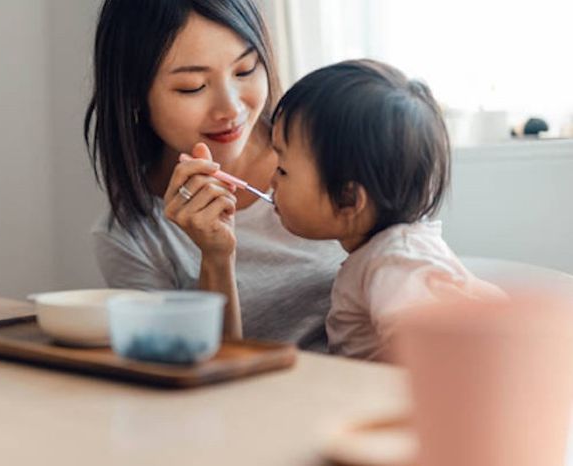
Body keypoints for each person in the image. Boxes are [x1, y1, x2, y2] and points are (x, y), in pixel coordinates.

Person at [84, 0, 344, 348]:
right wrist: (216, 259)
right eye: (192, 86)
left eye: (245, 70)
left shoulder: (333, 149)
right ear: (134, 96)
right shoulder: (134, 237)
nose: (230, 108)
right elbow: (196, 372)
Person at [270, 59, 505, 360]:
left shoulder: (396, 263)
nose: (270, 180)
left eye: (282, 169)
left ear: (349, 198)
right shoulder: (379, 253)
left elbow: (433, 361)